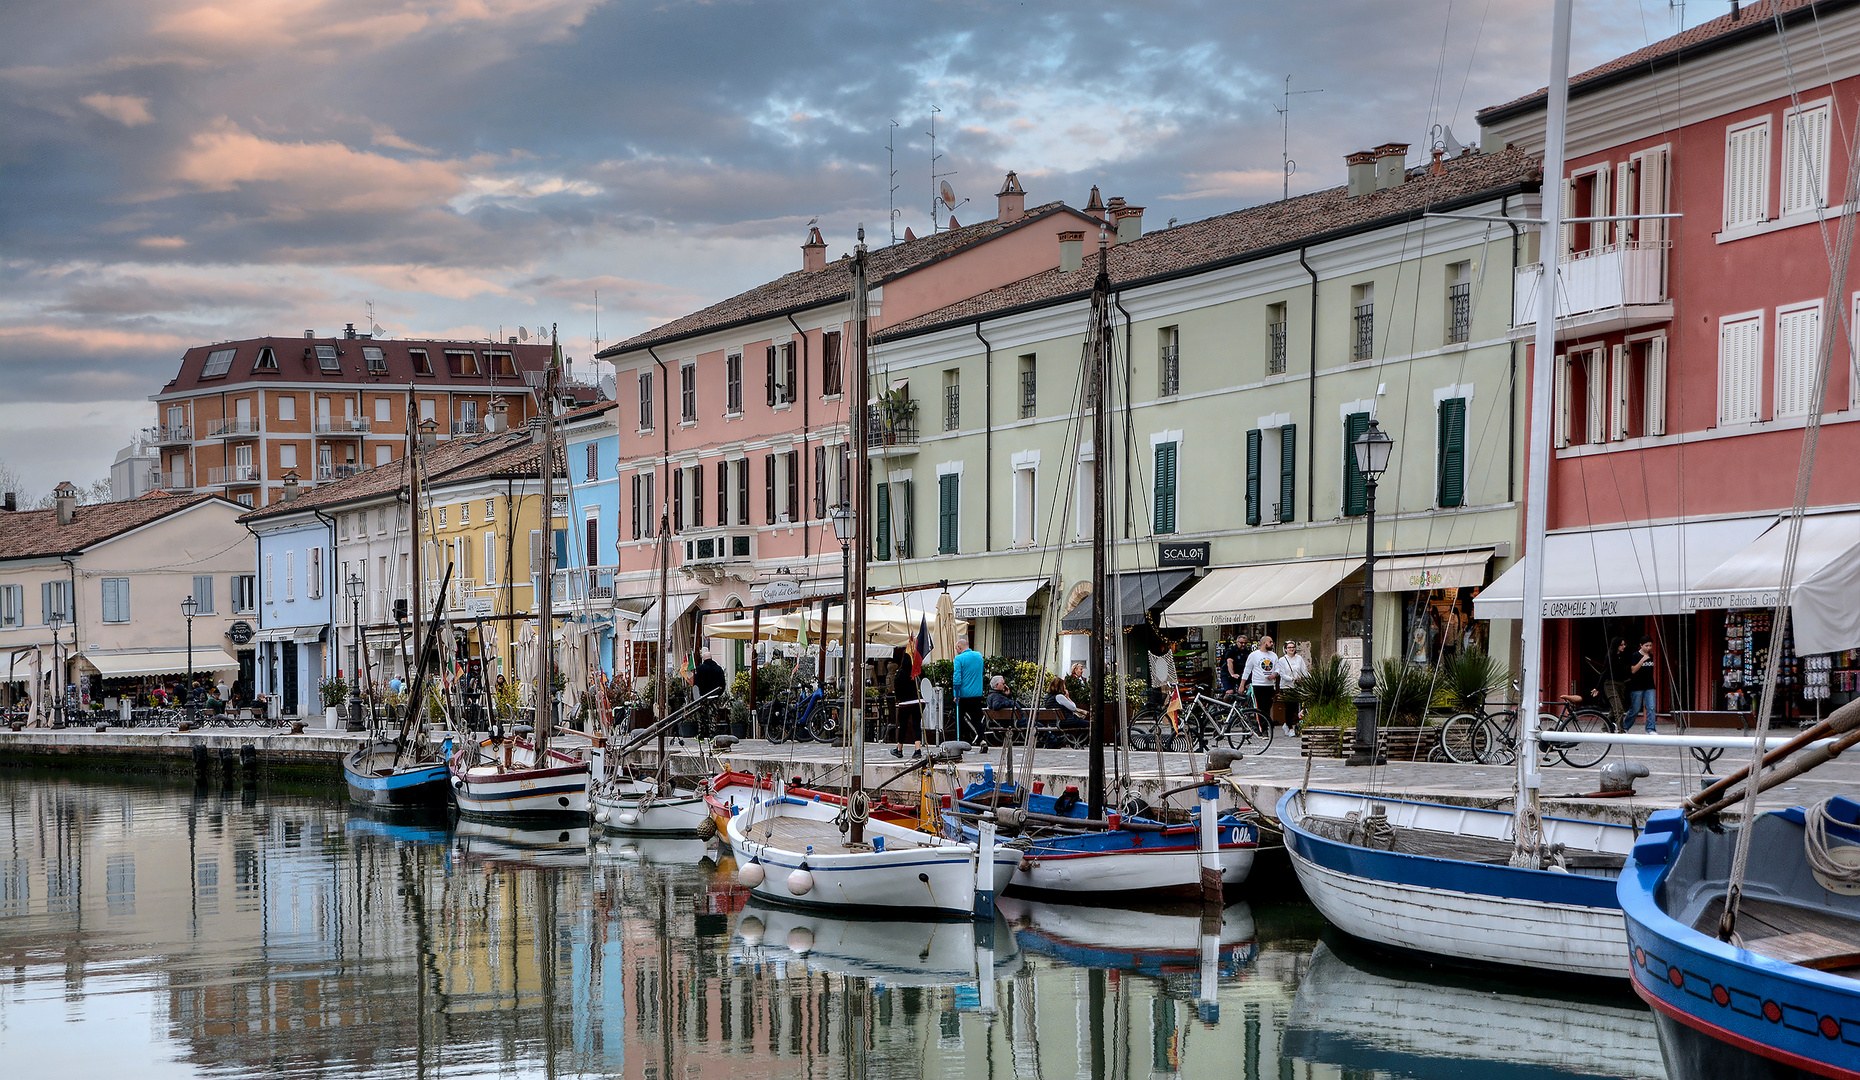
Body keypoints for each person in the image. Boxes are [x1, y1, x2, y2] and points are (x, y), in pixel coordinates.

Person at [1241, 635, 1281, 731]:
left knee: (1267, 707)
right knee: (1259, 707)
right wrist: (1242, 685)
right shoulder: (1254, 655)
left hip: (1270, 685)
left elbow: (1278, 668)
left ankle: (1265, 724)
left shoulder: (1273, 655)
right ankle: (1262, 728)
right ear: (1264, 643)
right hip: (1258, 685)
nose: (1272, 644)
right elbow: (1247, 670)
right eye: (1270, 642)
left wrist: (1274, 674)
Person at [1623, 636, 1658, 733]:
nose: (1649, 648)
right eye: (1646, 645)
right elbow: (1633, 670)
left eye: (1650, 645)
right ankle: (1625, 726)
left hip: (1649, 685)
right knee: (1635, 709)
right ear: (1641, 645)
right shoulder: (1635, 655)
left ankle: (1650, 728)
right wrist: (1642, 660)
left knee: (1651, 707)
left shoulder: (1651, 656)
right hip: (1637, 685)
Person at [952, 637, 984, 744]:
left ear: (959, 647)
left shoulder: (959, 659)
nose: (957, 651)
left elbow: (957, 678)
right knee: (976, 719)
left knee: (959, 719)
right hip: (977, 694)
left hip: (964, 695)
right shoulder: (979, 656)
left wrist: (956, 694)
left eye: (957, 648)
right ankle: (982, 739)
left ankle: (960, 741)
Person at [1590, 637, 1629, 722]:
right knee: (1619, 709)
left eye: (1624, 644)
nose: (1624, 647)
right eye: (1621, 645)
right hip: (1610, 684)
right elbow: (1605, 672)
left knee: (1614, 708)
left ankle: (1605, 728)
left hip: (1621, 684)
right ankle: (1620, 730)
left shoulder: (1623, 656)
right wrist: (1598, 687)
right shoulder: (1610, 656)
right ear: (1617, 645)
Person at [891, 647, 921, 757]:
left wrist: (899, 698)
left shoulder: (901, 673)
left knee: (903, 726)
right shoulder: (919, 672)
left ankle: (899, 749)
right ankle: (917, 750)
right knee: (917, 725)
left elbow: (897, 691)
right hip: (917, 701)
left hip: (905, 703)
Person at [1278, 640, 1311, 733]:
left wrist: (1307, 677)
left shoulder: (1299, 658)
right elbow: (1282, 674)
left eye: (1293, 647)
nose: (1291, 649)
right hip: (1286, 686)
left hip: (1297, 686)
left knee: (1295, 707)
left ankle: (1287, 723)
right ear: (1285, 649)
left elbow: (1303, 670)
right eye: (1289, 647)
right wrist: (1292, 679)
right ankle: (1290, 728)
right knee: (1288, 707)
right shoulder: (1282, 660)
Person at [693, 649, 727, 738]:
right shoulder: (718, 669)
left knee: (702, 716)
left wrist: (696, 697)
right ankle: (712, 735)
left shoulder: (700, 669)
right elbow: (723, 683)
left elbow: (696, 684)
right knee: (713, 716)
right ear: (711, 658)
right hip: (714, 696)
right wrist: (719, 694)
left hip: (703, 697)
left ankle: (702, 735)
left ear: (704, 659)